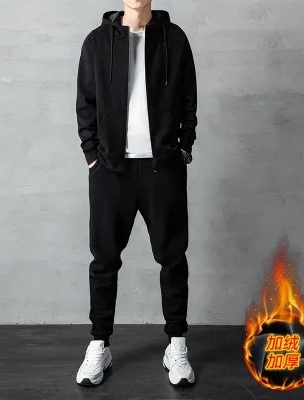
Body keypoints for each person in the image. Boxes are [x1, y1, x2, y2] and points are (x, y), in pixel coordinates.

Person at [75, 0, 197, 387]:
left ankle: (176, 344)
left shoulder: (175, 39)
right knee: (104, 260)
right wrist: (92, 156)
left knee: (173, 258)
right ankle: (99, 344)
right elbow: (85, 103)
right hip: (111, 170)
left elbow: (189, 99)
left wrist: (183, 147)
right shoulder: (97, 42)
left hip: (163, 169)